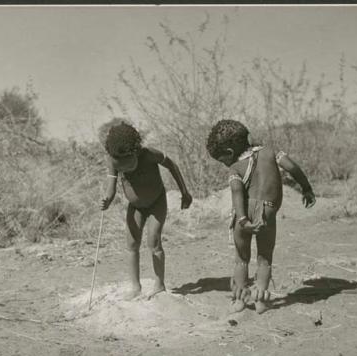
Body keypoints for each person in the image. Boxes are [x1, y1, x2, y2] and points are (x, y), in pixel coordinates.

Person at [206, 120, 315, 314]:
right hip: (267, 214)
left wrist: (242, 220)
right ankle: (261, 301)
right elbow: (293, 168)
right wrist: (306, 188)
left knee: (241, 259)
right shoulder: (272, 153)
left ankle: (239, 301)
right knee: (265, 259)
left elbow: (237, 195)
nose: (225, 164)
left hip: (243, 215)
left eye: (223, 160)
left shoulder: (236, 168)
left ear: (230, 153)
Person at [99, 118, 193, 300]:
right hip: (135, 207)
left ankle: (159, 284)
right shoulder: (112, 161)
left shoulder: (149, 155)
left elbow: (172, 165)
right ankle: (135, 286)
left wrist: (184, 192)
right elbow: (110, 189)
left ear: (135, 151)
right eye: (121, 165)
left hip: (157, 202)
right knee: (132, 244)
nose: (124, 167)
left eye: (128, 162)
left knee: (154, 242)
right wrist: (107, 201)